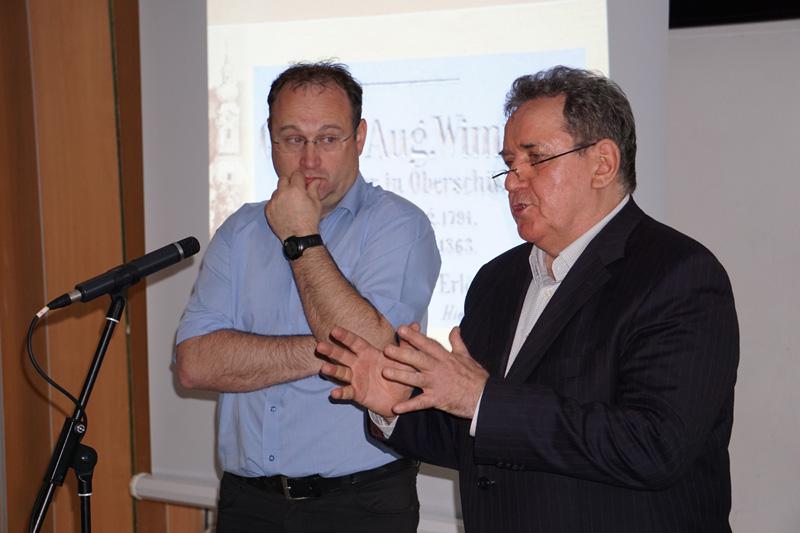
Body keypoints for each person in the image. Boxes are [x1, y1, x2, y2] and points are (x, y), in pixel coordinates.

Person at [318, 66, 740, 533]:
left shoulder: (677, 275)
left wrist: (483, 400)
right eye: (509, 163)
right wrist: (394, 407)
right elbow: (475, 435)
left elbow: (655, 446)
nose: (511, 181)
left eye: (535, 159)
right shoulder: (497, 280)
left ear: (603, 163)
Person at [175, 61, 441, 533]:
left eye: (328, 138)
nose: (310, 160)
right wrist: (334, 350)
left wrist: (301, 237)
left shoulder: (400, 226)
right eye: (293, 139)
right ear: (270, 140)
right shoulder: (240, 231)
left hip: (359, 504)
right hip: (246, 503)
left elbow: (374, 353)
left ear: (359, 138)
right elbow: (195, 364)